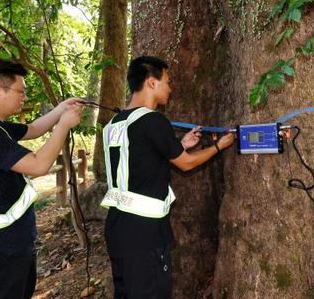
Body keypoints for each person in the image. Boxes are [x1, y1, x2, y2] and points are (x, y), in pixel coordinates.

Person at [0, 58, 83, 298]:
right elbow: (38, 165)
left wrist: (60, 109)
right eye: (21, 91)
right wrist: (63, 126)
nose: (24, 97)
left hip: (4, 244)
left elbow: (33, 130)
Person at [101, 56, 235, 298]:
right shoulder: (153, 120)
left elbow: (140, 159)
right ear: (152, 82)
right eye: (167, 81)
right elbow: (186, 163)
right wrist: (220, 146)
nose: (170, 88)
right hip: (145, 235)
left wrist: (179, 144)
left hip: (118, 229)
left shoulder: (114, 123)